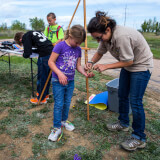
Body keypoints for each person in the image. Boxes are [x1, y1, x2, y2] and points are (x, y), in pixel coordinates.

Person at [86, 11, 153, 151]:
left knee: (135, 101)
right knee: (122, 95)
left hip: (141, 66)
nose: (99, 41)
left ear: (108, 29)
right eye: (96, 39)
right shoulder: (105, 38)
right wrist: (91, 62)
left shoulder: (121, 36)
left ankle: (139, 138)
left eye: (99, 37)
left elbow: (128, 61)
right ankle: (123, 123)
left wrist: (106, 66)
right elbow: (99, 52)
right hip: (129, 67)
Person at [48, 25, 94, 141]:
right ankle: (56, 127)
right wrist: (59, 74)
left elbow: (78, 66)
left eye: (80, 43)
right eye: (77, 42)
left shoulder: (78, 49)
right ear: (70, 36)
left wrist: (85, 73)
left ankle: (63, 121)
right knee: (59, 103)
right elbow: (51, 62)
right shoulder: (60, 46)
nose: (78, 45)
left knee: (67, 102)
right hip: (58, 81)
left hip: (70, 81)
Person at [14, 31, 53, 104]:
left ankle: (41, 99)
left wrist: (24, 54)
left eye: (22, 44)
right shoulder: (33, 33)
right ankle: (45, 94)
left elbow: (27, 54)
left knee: (42, 77)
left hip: (44, 55)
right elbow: (41, 45)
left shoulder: (25, 37)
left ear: (20, 40)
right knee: (47, 76)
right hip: (51, 52)